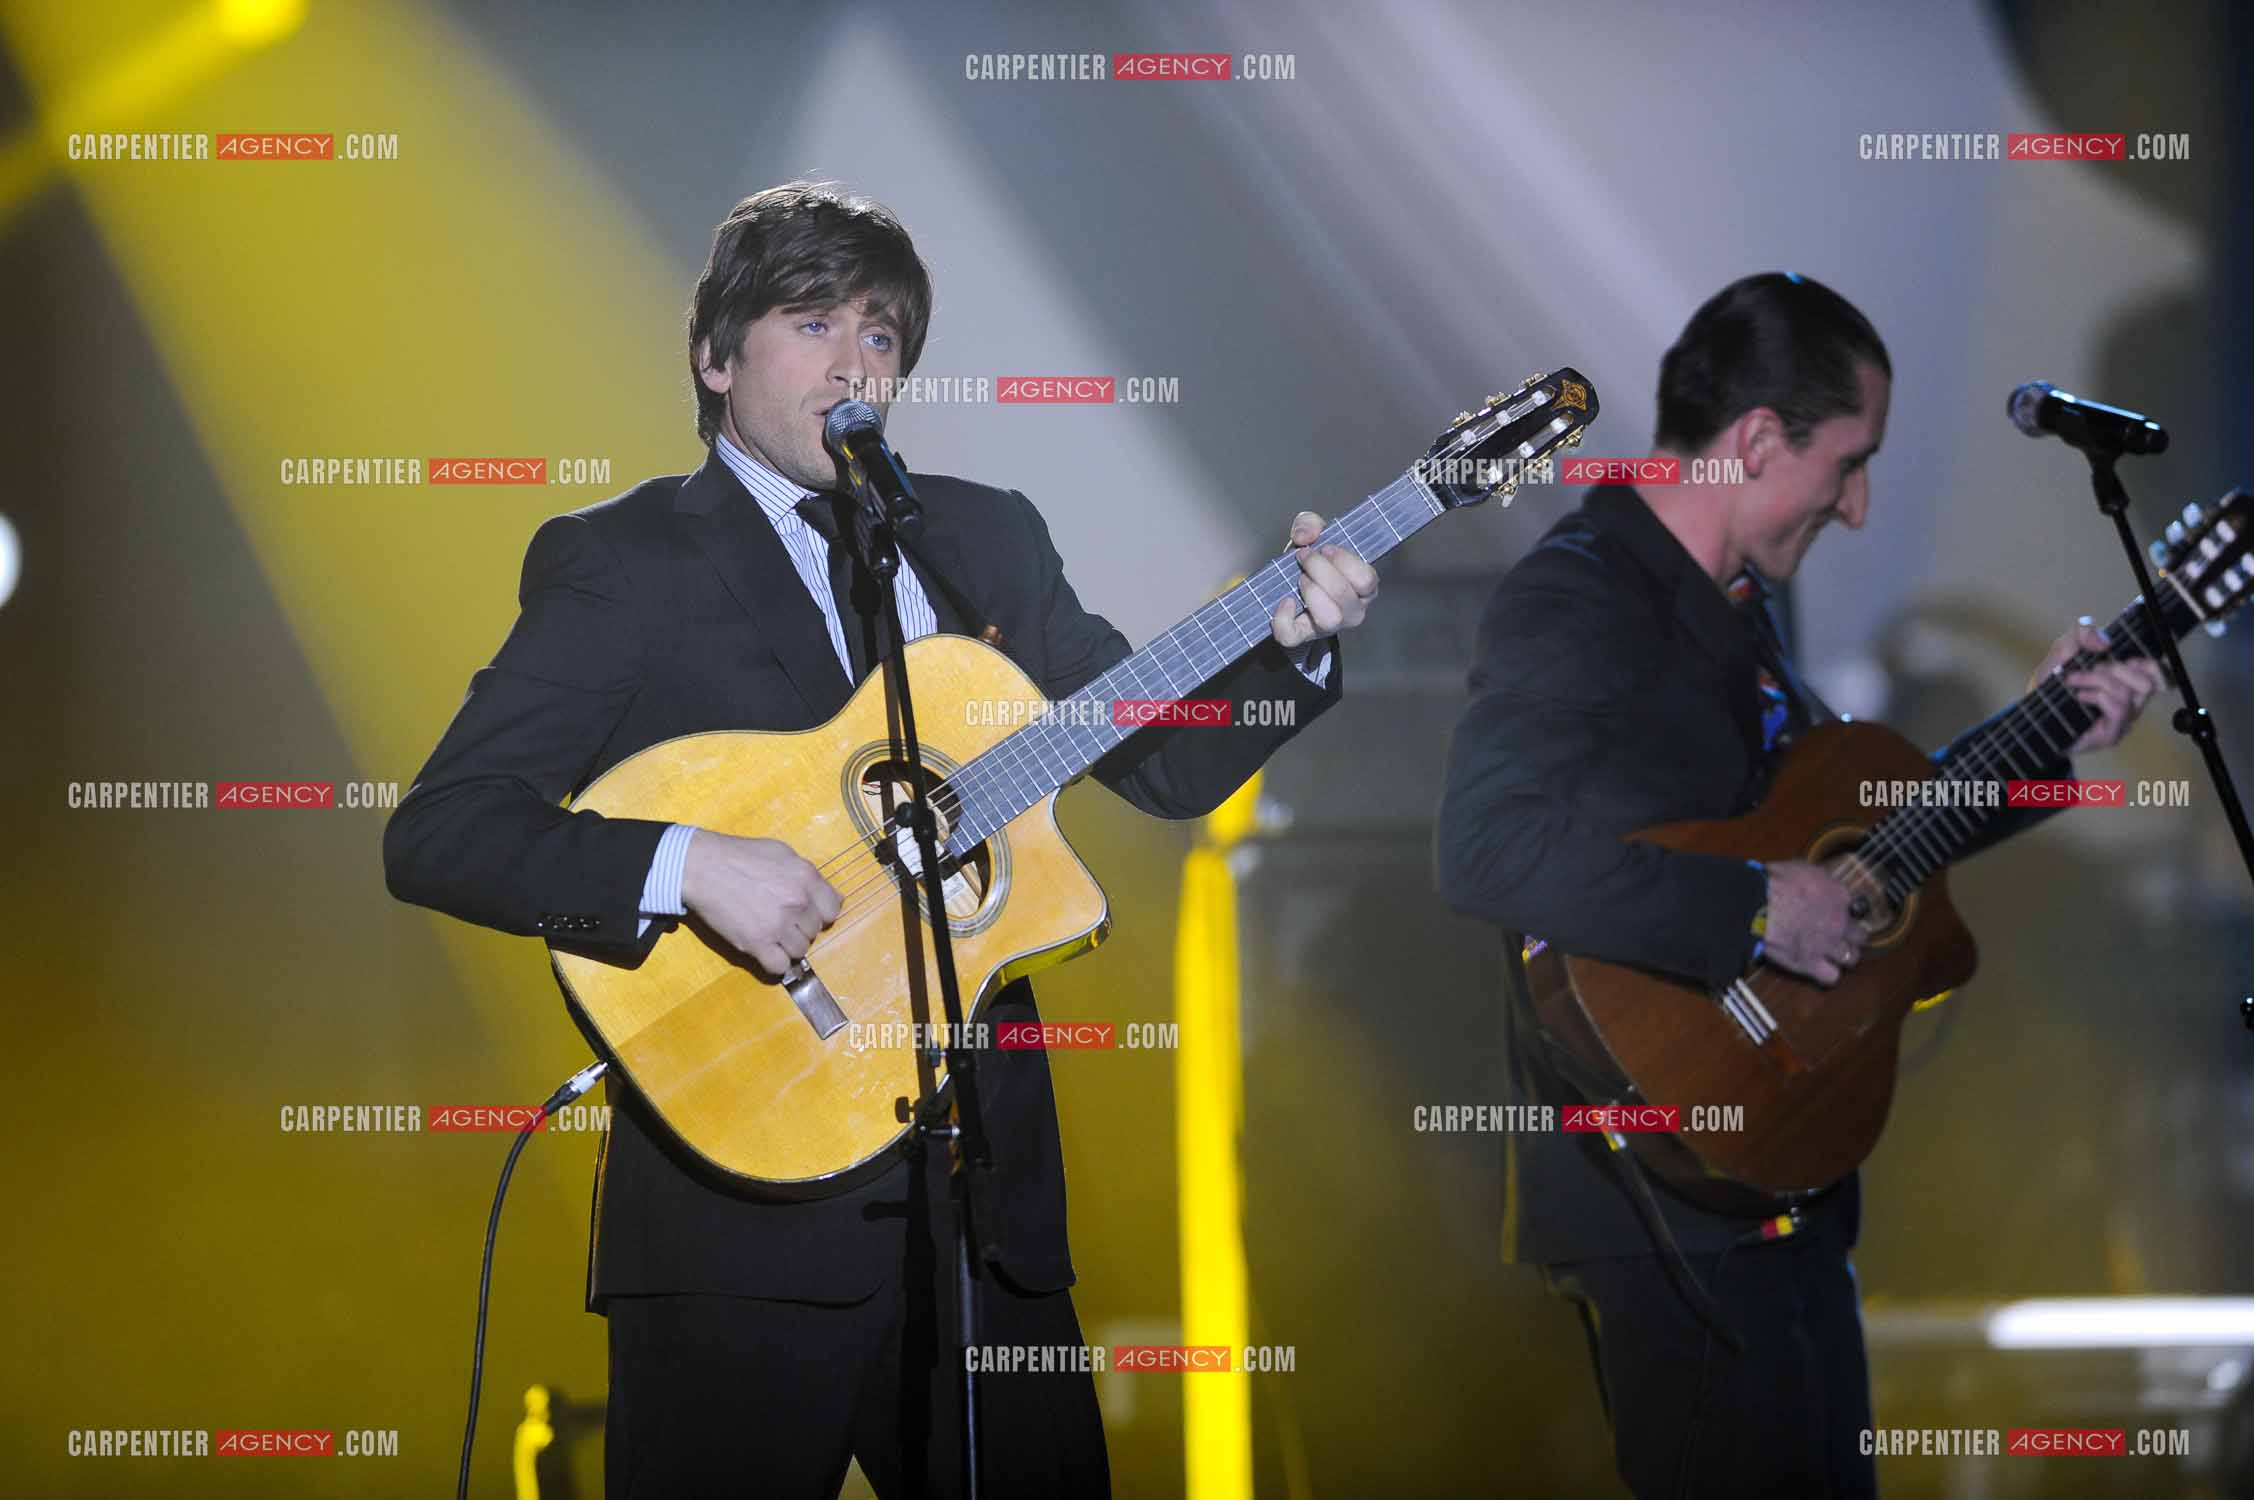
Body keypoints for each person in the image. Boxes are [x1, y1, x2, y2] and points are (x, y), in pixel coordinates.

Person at [383, 181, 1377, 1499]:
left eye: (882, 337)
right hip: (736, 1217)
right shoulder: (625, 563)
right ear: (716, 355)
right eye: (812, 323)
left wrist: (1289, 653)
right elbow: (445, 830)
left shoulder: (981, 540)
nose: (856, 363)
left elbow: (1162, 755)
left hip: (982, 1223)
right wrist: (689, 868)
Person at [1432, 272, 2163, 1498]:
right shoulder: (1579, 595)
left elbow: (1850, 854)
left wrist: (2046, 740)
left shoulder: (1753, 599)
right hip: (1660, 1198)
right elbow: (1485, 846)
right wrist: (1759, 907)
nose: (1860, 506)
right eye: (1849, 462)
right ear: (1759, 438)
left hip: (1785, 1175)